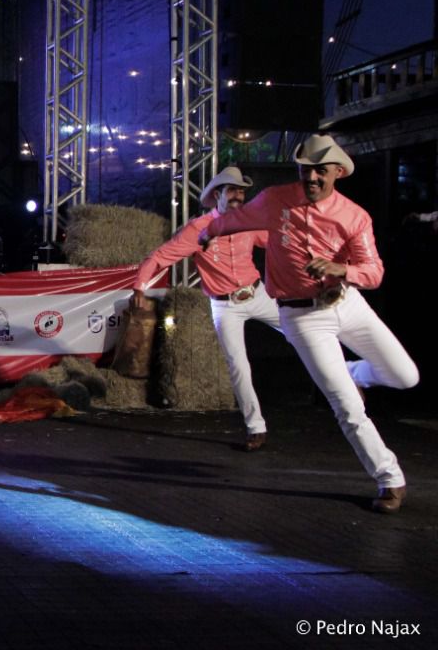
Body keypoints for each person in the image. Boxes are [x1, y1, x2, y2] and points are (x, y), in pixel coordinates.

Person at [200, 135, 419, 513]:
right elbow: (233, 219)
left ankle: (353, 372)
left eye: (320, 170)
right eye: (306, 169)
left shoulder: (353, 216)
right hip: (301, 315)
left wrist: (342, 269)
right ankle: (389, 478)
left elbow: (374, 272)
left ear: (337, 172)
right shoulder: (274, 200)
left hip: (348, 303)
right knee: (347, 407)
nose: (313, 177)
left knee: (405, 377)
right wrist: (206, 232)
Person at [133, 166, 282, 451]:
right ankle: (255, 427)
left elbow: (278, 241)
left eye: (242, 191)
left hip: (257, 293)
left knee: (302, 330)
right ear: (218, 195)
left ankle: (347, 376)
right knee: (237, 365)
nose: (239, 196)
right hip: (225, 306)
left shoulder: (249, 222)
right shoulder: (198, 229)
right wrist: (139, 287)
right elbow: (160, 257)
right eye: (233, 191)